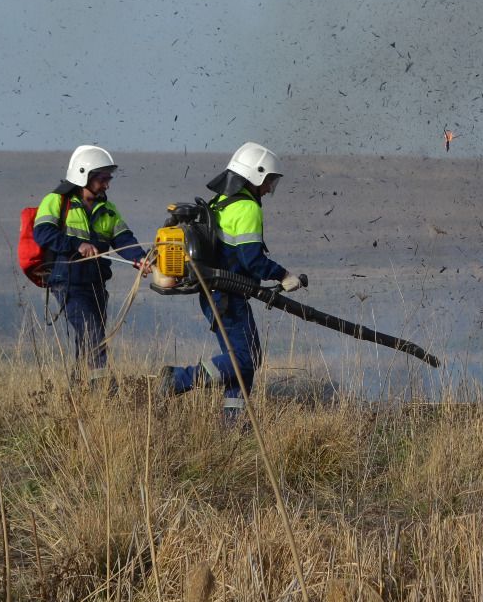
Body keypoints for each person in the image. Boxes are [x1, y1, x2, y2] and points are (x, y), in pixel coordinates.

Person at [161, 142, 303, 421]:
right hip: (227, 296)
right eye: (267, 181)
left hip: (216, 293)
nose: (268, 188)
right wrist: (284, 276)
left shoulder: (219, 203)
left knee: (245, 359)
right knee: (244, 360)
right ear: (254, 175)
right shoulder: (248, 208)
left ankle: (233, 424)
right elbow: (252, 259)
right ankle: (177, 379)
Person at [33, 145, 149, 369]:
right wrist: (78, 245)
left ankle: (80, 393)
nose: (107, 184)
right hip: (68, 284)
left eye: (108, 178)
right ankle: (102, 391)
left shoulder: (109, 210)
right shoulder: (56, 200)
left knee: (88, 341)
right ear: (84, 174)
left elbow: (124, 239)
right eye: (103, 178)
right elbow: (43, 232)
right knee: (93, 335)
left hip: (96, 286)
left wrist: (141, 259)